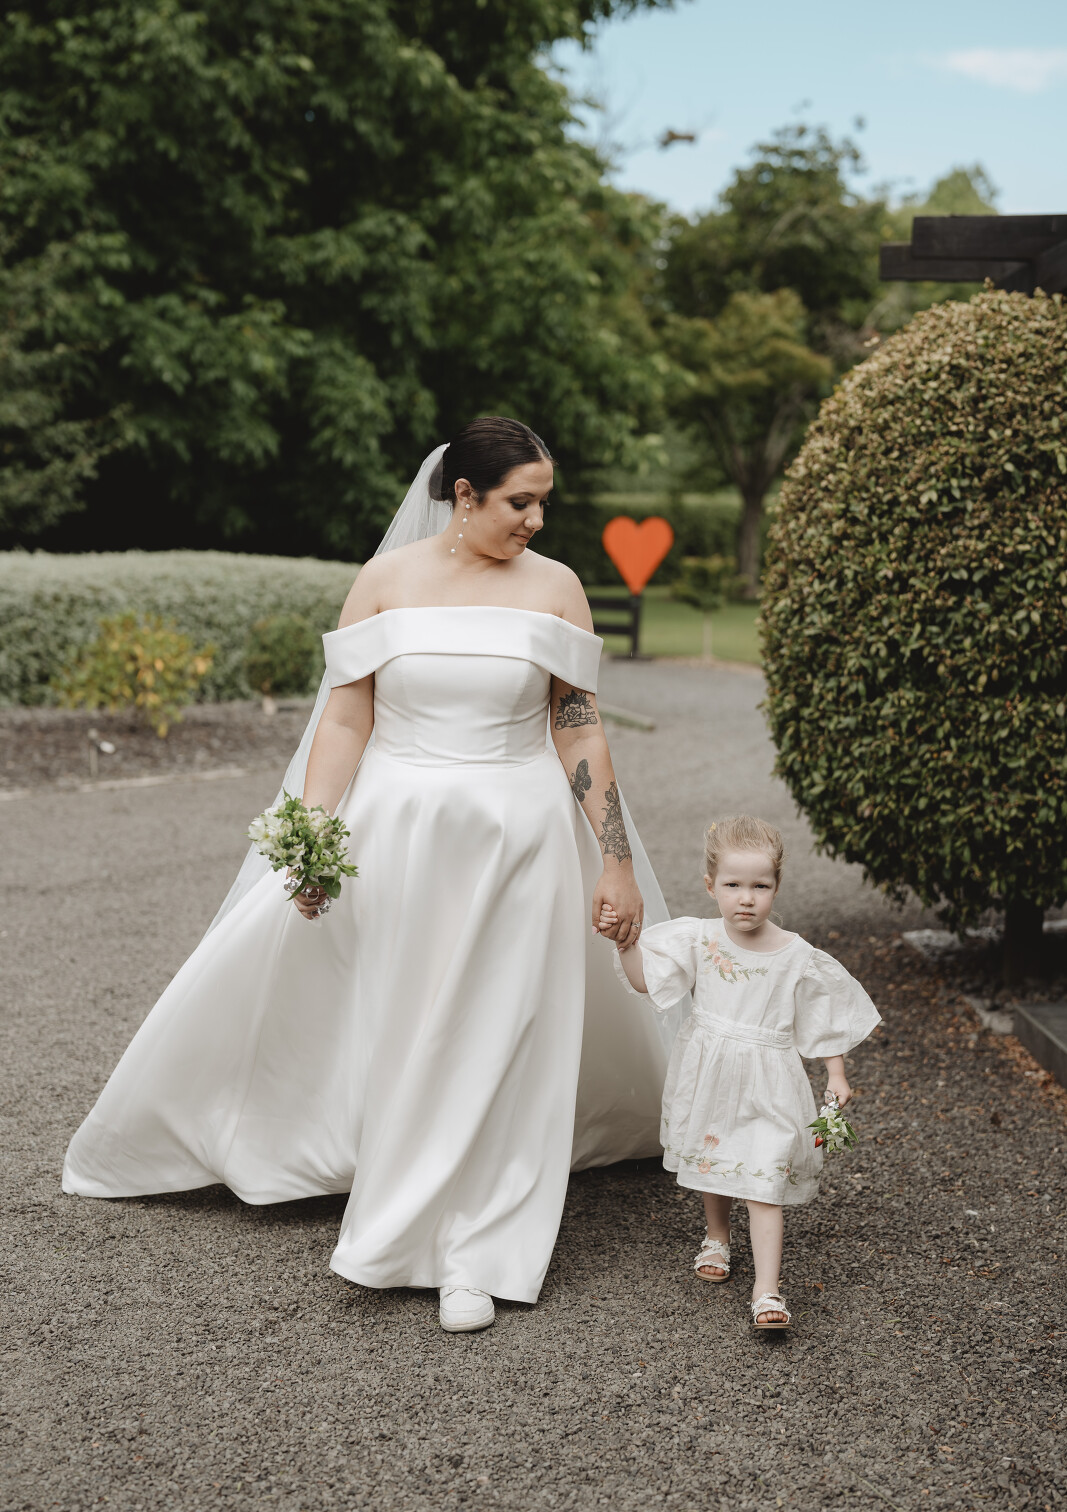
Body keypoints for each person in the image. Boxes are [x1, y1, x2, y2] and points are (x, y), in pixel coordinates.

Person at [63, 418, 675, 1333]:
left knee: (500, 1025)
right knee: (410, 1018)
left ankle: (473, 1247)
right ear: (463, 496)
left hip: (519, 839)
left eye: (544, 502)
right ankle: (385, 1174)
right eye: (520, 501)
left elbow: (578, 728)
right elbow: (345, 720)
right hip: (399, 833)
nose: (537, 520)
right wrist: (311, 837)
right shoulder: (385, 582)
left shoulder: (557, 589)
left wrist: (615, 862)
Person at [608, 814, 880, 1333]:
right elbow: (647, 982)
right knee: (716, 1152)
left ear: (777, 886)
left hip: (771, 1082)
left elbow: (822, 1017)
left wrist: (836, 1074)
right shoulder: (700, 940)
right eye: (733, 885)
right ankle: (717, 1235)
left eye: (760, 886)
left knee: (764, 1178)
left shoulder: (797, 956)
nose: (747, 899)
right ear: (710, 885)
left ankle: (767, 1289)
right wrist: (625, 945)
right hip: (711, 1074)